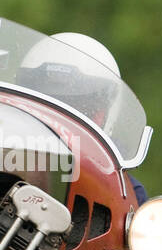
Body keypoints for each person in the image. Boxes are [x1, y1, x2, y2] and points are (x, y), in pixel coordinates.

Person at [20, 32, 149, 204]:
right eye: (45, 104)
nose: (58, 119)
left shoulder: (125, 192)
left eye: (80, 108)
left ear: (104, 112)